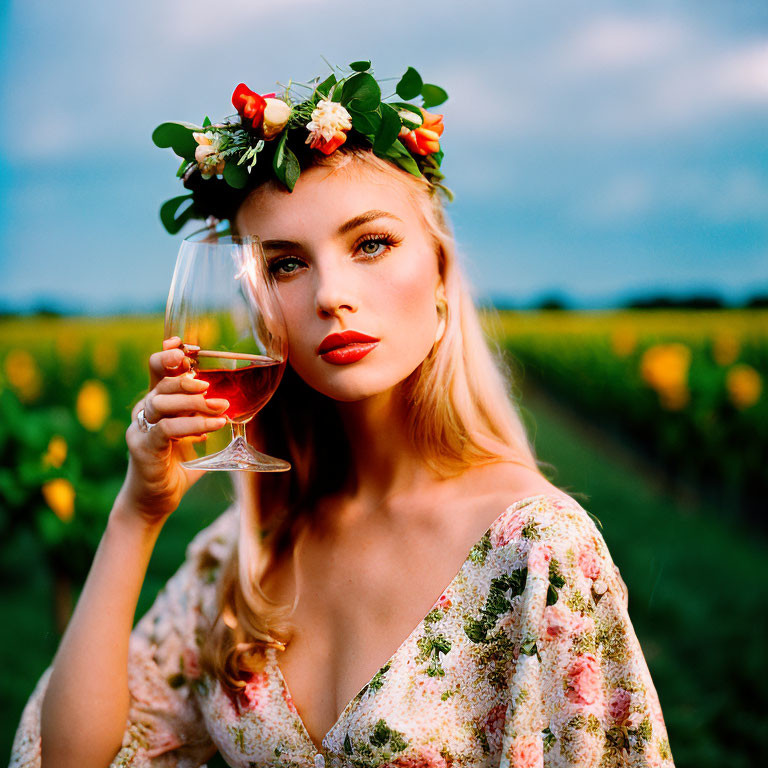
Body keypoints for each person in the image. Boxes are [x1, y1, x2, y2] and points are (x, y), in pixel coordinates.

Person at [10, 62, 675, 768]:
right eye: (286, 264)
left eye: (371, 244)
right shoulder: (244, 550)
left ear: (443, 276)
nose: (332, 295)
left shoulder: (538, 551)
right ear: (257, 306)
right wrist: (135, 516)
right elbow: (68, 760)